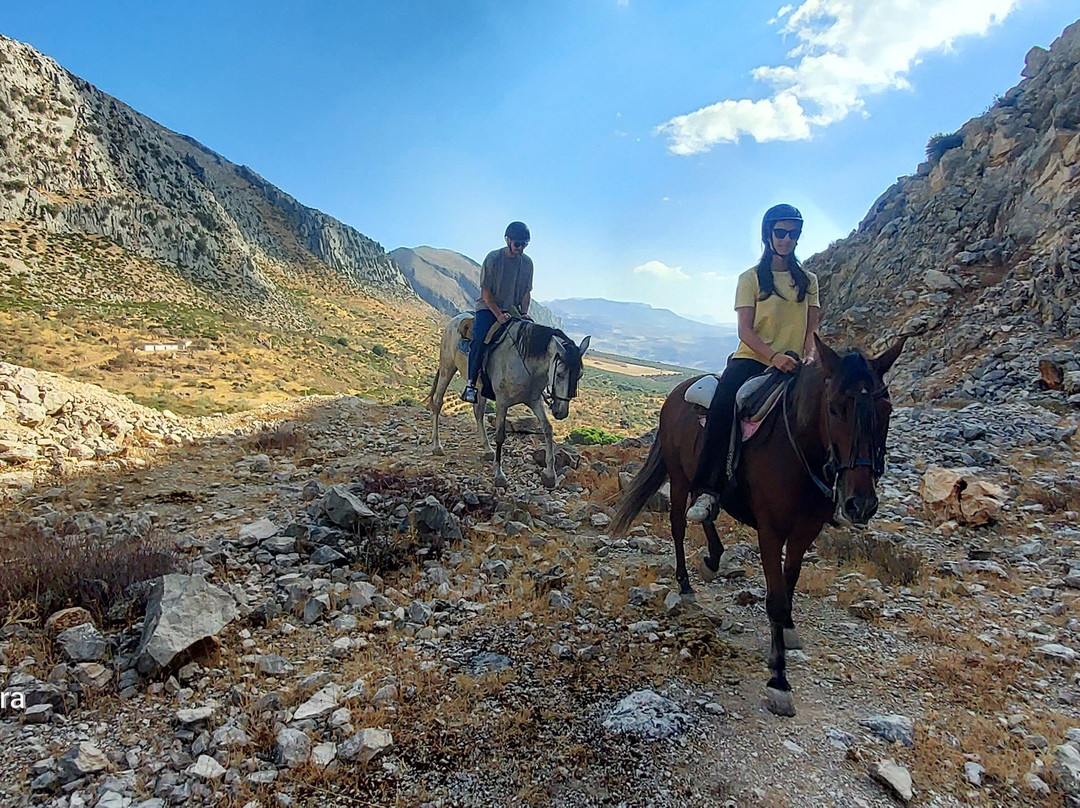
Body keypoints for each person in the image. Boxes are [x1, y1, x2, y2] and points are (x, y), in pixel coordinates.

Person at [686, 204, 821, 522]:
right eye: (781, 232)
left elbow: (812, 328)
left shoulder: (809, 280)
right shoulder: (750, 279)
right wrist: (772, 356)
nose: (787, 239)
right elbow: (745, 330)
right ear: (768, 235)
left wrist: (809, 357)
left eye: (793, 233)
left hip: (792, 362)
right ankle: (708, 490)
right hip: (752, 359)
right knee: (724, 404)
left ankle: (830, 492)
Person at [461, 221, 534, 404]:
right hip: (489, 307)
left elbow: (526, 292)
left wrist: (524, 313)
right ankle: (470, 384)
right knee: (479, 338)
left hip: (514, 310)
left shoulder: (527, 264)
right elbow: (486, 293)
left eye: (525, 244)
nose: (521, 248)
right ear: (508, 240)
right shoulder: (493, 259)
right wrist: (498, 315)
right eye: (518, 244)